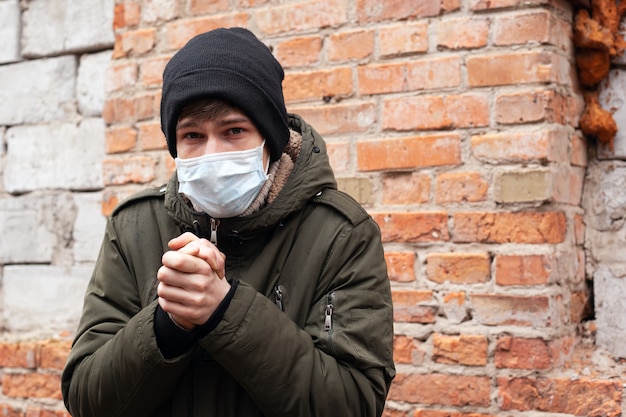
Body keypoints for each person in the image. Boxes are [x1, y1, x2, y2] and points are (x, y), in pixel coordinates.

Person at [61, 27, 395, 417]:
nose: (212, 154)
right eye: (192, 135)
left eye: (234, 131)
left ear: (269, 138)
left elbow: (353, 403)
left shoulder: (340, 234)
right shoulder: (134, 226)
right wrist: (167, 324)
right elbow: (87, 399)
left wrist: (225, 311)